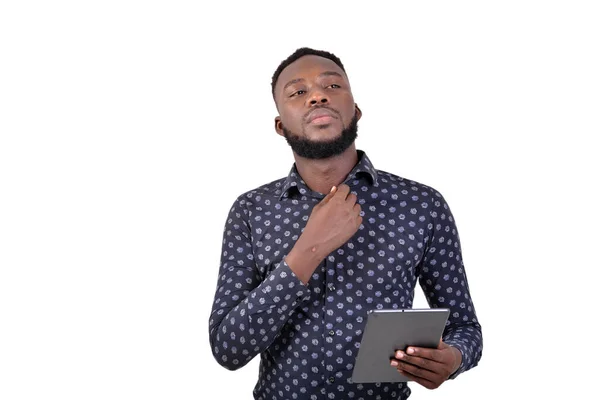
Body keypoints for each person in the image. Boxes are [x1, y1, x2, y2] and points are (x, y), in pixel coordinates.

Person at [208, 47, 483, 400]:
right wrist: (311, 247)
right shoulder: (250, 211)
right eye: (298, 92)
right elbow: (228, 349)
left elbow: (465, 328)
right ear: (280, 125)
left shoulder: (422, 205)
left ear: (355, 111)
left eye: (333, 86)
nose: (318, 96)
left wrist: (454, 358)